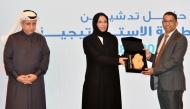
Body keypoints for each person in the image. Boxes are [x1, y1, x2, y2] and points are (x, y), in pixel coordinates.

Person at [3, 10, 50, 109]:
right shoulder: (12, 39)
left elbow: (45, 57)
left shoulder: (41, 39)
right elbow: (7, 58)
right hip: (16, 82)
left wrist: (36, 75)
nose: (31, 27)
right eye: (28, 24)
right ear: (21, 23)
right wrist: (17, 76)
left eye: (34, 24)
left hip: (36, 81)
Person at [142, 11, 187, 109]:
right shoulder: (161, 37)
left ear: (176, 23)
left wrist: (154, 70)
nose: (167, 23)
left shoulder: (180, 39)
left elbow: (175, 61)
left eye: (170, 21)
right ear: (162, 23)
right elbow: (160, 59)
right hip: (161, 84)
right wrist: (150, 56)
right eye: (165, 21)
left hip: (173, 85)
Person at [82, 12, 127, 109]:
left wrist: (130, 57)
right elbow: (97, 58)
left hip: (111, 80)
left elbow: (114, 56)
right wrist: (118, 60)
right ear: (95, 24)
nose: (103, 24)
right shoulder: (88, 40)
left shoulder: (113, 39)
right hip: (95, 81)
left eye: (105, 22)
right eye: (100, 22)